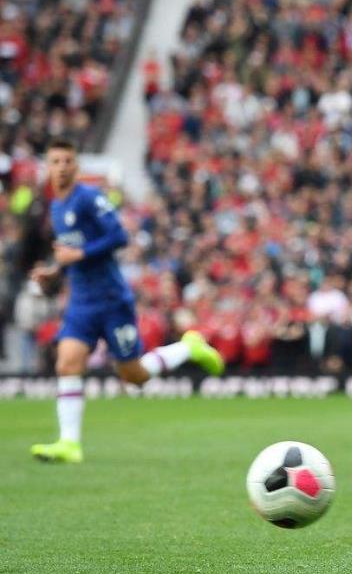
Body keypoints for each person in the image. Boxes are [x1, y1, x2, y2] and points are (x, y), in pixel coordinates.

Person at [29, 140, 225, 464]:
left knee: (134, 375)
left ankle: (188, 348)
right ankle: (69, 443)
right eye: (55, 161)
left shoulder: (89, 197)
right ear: (47, 167)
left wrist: (79, 254)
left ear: (76, 166)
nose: (61, 167)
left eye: (67, 161)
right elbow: (70, 253)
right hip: (81, 302)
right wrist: (55, 271)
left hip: (111, 300)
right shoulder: (56, 207)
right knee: (67, 363)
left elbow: (119, 236)